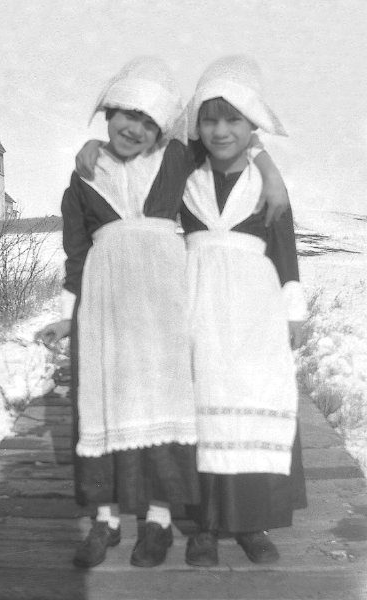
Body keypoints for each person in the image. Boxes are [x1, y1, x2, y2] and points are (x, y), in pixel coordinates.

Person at [37, 57, 201, 569]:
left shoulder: (176, 157)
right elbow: (76, 253)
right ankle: (105, 522)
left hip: (162, 305)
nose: (134, 127)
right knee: (102, 403)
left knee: (160, 399)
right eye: (125, 113)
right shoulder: (85, 172)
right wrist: (70, 315)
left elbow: (230, 126)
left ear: (165, 128)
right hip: (104, 306)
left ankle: (157, 520)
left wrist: (271, 176)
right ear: (107, 113)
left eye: (149, 120)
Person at [179, 55, 307, 567]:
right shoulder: (184, 172)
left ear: (252, 125)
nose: (220, 130)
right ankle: (205, 525)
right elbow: (146, 139)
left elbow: (284, 248)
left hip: (254, 307)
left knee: (253, 400)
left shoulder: (267, 186)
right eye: (210, 119)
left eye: (234, 119)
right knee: (201, 404)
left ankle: (253, 523)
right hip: (197, 300)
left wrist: (292, 310)